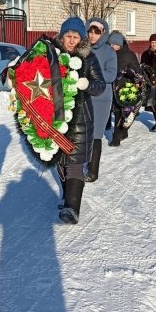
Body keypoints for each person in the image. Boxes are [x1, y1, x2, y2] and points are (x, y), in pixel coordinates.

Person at [54, 17, 105, 223]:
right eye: (69, 36)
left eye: (76, 37)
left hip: (80, 118)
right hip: (55, 117)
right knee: (59, 161)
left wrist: (87, 84)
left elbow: (100, 85)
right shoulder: (52, 55)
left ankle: (71, 207)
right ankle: (68, 197)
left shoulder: (89, 58)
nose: (72, 40)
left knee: (74, 163)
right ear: (62, 37)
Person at [84, 18, 117, 182]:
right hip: (84, 95)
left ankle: (93, 171)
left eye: (96, 32)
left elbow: (111, 75)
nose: (92, 35)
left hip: (101, 98)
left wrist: (93, 75)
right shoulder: (82, 49)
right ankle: (83, 163)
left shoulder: (109, 52)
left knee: (96, 133)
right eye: (90, 31)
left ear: (103, 33)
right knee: (84, 132)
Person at [108, 30, 142, 146]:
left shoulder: (128, 54)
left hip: (125, 88)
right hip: (113, 87)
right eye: (110, 44)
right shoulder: (111, 53)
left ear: (120, 44)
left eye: (114, 44)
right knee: (118, 113)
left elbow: (137, 70)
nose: (111, 46)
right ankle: (123, 132)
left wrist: (135, 79)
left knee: (121, 113)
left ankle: (116, 138)